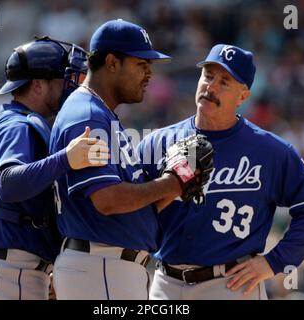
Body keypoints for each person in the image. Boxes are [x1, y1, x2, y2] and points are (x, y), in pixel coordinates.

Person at [138, 44, 304, 300]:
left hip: (230, 285)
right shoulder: (158, 142)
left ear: (243, 97)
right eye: (208, 76)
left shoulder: (270, 151)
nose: (211, 86)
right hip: (165, 282)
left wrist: (274, 262)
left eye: (224, 81)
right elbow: (133, 209)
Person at [49, 19, 208, 300]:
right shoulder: (88, 114)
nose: (149, 74)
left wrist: (180, 180)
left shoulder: (103, 115)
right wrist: (172, 183)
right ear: (111, 62)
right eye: (141, 64)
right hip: (101, 265)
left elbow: (134, 207)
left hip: (106, 266)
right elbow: (108, 200)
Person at [0, 37, 109, 300]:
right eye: (63, 78)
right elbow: (8, 184)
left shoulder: (4, 122)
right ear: (37, 84)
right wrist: (66, 158)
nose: (71, 84)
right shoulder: (18, 126)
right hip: (6, 270)